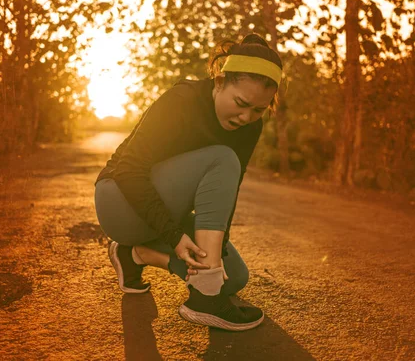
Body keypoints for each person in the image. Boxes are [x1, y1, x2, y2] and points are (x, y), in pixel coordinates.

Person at [94, 33, 282, 331]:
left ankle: (133, 255)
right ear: (220, 82)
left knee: (233, 278)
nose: (247, 117)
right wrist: (174, 236)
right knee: (222, 158)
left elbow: (228, 192)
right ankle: (204, 298)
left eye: (258, 110)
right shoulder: (182, 100)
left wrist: (216, 251)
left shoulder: (250, 127)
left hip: (166, 212)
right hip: (118, 202)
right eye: (241, 103)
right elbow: (128, 170)